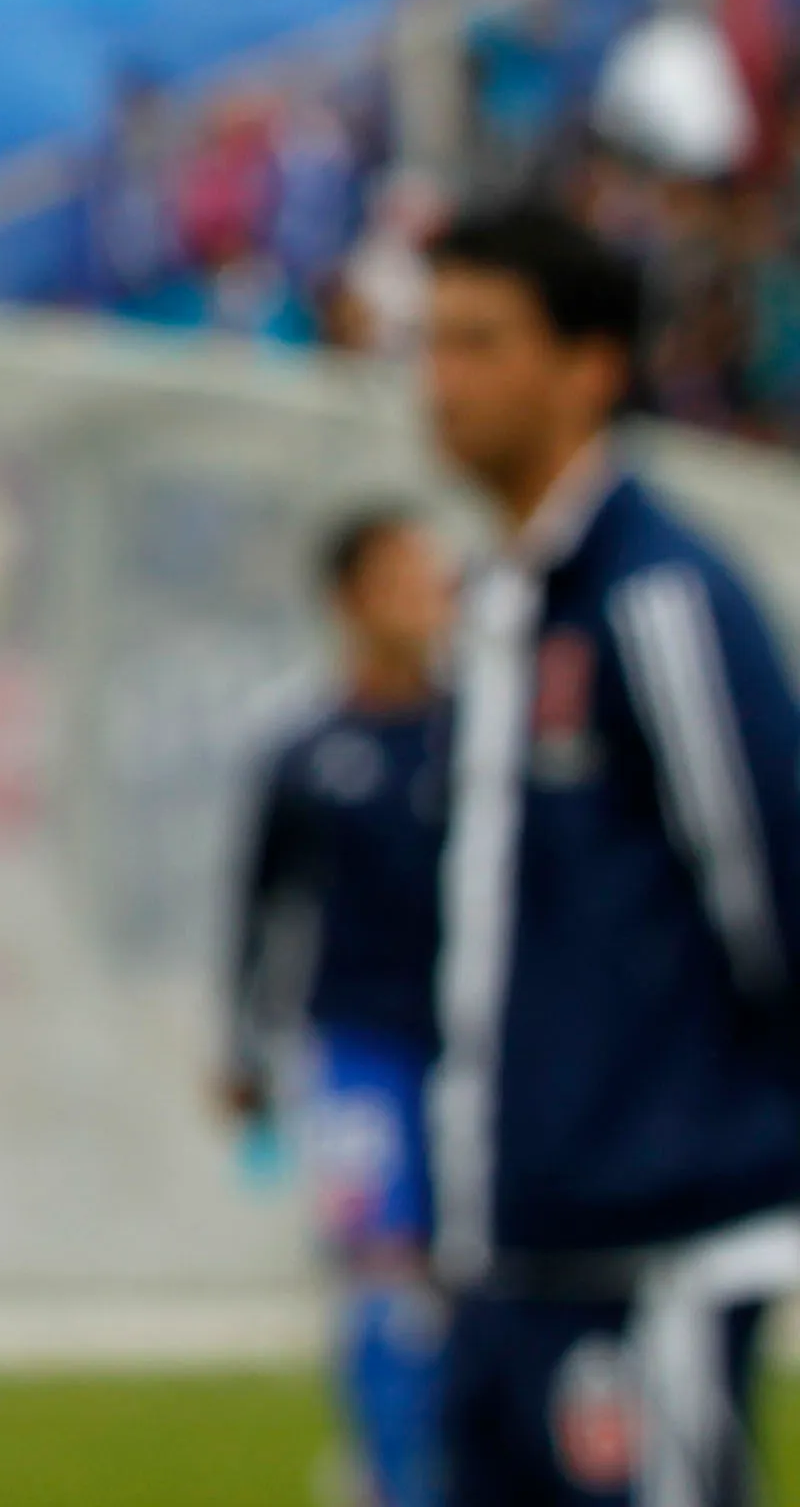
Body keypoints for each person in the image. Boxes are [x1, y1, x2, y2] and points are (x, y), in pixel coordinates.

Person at [425, 201, 800, 1507]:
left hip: (656, 1261)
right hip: (508, 1251)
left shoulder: (660, 597)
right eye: (432, 343)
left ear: (590, 367)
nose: (441, 381)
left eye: (481, 343)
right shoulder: (496, 607)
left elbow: (777, 895)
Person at [227, 506, 456, 1507]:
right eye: (403, 578)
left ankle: (445, 1465)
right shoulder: (304, 747)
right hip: (355, 1048)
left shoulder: (479, 734)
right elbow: (257, 905)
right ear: (349, 600)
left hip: (471, 1051)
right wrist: (241, 1045)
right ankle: (391, 1477)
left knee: (466, 1281)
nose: (429, 598)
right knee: (380, 1270)